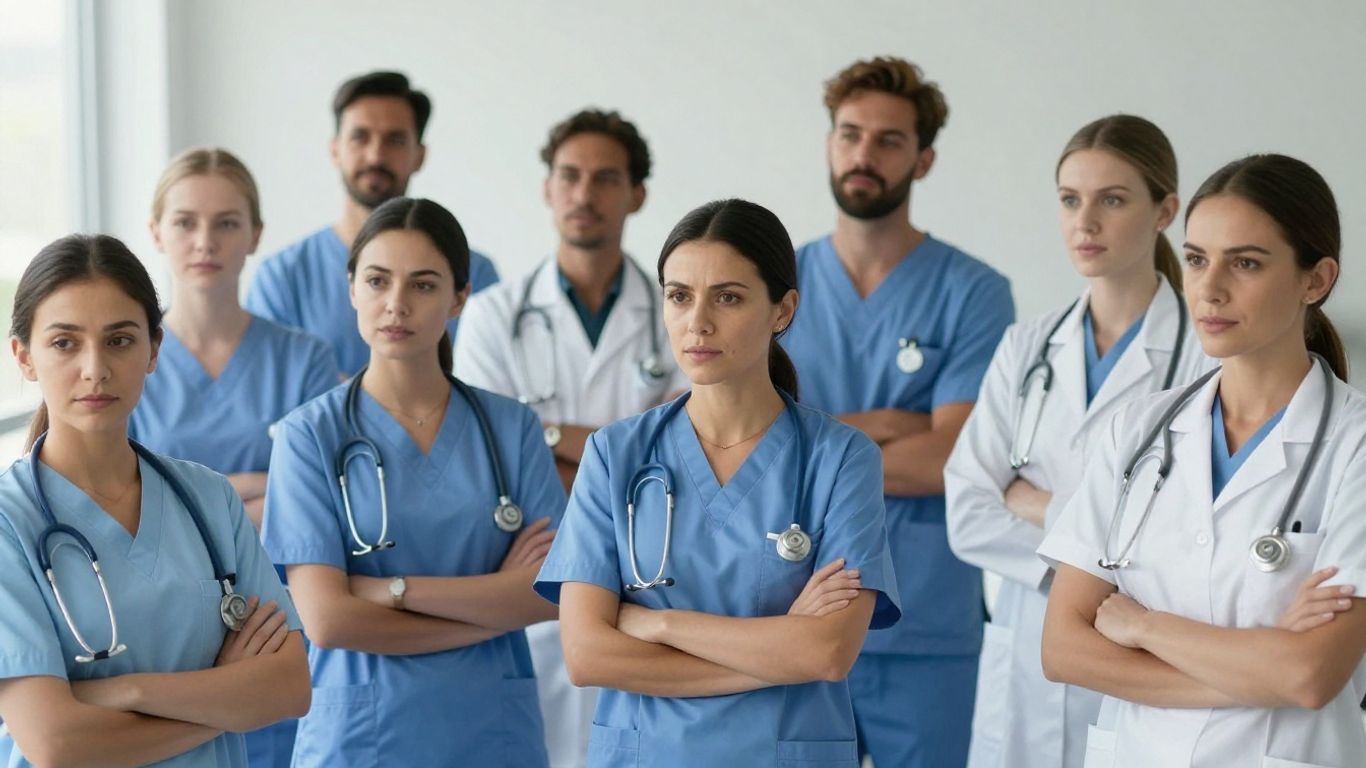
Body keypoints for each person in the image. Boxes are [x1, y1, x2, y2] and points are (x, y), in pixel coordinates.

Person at [535, 198, 900, 767]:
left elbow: (827, 653)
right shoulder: (616, 454)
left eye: (727, 297)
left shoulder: (841, 459)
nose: (697, 321)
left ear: (782, 310)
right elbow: (587, 655)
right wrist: (777, 647)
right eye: (679, 295)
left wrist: (656, 623)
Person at [1039, 154, 1366, 766]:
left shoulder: (1356, 446)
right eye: (1195, 259)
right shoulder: (1137, 429)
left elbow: (1311, 675)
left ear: (1316, 280)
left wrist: (1142, 628)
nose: (1210, 288)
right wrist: (1257, 669)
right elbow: (1063, 649)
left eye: (1246, 263)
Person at [942, 115, 1214, 767]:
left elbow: (1186, 532)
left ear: (1164, 210)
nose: (1084, 222)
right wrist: (1093, 549)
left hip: (1134, 662)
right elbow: (967, 511)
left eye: (1111, 200)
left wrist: (1036, 503)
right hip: (1025, 651)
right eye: (1070, 199)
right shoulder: (1027, 346)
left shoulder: (1206, 356)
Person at [261, 197, 566, 767]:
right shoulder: (309, 436)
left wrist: (389, 591)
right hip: (362, 740)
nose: (396, 305)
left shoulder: (511, 429)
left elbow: (549, 594)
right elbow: (328, 621)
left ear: (458, 298)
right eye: (377, 281)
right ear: (351, 288)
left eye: (423, 286)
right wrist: (488, 608)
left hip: (492, 737)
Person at [780, 55, 1014, 767]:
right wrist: (890, 425)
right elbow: (746, 444)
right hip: (793, 612)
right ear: (828, 143)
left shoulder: (973, 292)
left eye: (889, 141)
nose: (864, 155)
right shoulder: (773, 283)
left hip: (926, 625)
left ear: (924, 159)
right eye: (850, 134)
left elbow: (953, 458)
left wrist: (809, 440)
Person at [0, 234, 309, 767]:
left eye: (119, 340)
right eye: (65, 343)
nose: (94, 367)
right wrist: (223, 696)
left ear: (154, 349)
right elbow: (54, 743)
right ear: (24, 356)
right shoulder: (10, 522)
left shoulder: (209, 499)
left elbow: (288, 688)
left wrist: (128, 692)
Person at [454, 108, 685, 768]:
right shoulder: (496, 316)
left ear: (636, 194)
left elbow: (686, 458)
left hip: (649, 584)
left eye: (606, 178)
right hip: (534, 579)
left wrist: (541, 432)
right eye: (570, 176)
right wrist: (624, 454)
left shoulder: (676, 311)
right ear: (548, 188)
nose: (585, 194)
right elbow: (492, 464)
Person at [127, 148, 336, 767]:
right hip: (160, 632)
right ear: (156, 232)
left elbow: (320, 506)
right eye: (186, 221)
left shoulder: (304, 359)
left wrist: (181, 498)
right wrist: (259, 490)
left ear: (255, 235)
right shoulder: (127, 357)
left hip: (276, 628)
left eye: (226, 222)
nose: (205, 240)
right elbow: (117, 511)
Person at [247, 71, 498, 374]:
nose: (376, 155)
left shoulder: (475, 274)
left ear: (419, 156)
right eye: (360, 137)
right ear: (335, 149)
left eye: (395, 140)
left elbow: (484, 386)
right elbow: (275, 389)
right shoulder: (282, 278)